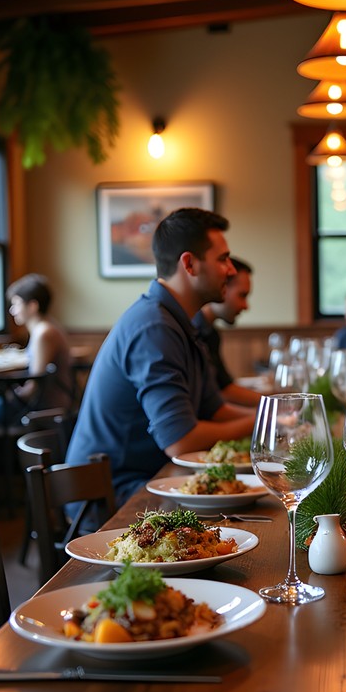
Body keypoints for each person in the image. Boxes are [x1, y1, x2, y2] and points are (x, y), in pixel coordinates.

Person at [66, 207, 256, 505]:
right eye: (222, 259)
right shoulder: (155, 328)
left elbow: (215, 409)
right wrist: (263, 422)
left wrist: (274, 418)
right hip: (111, 493)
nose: (231, 270)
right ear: (190, 264)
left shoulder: (180, 322)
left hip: (151, 476)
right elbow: (180, 442)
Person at [0, 273, 72, 424]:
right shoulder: (47, 328)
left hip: (41, 407)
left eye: (16, 304)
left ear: (32, 306)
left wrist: (12, 393)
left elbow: (34, 386)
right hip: (43, 403)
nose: (12, 310)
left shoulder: (43, 333)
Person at [192, 257, 263, 407]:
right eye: (242, 295)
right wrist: (274, 404)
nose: (246, 306)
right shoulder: (193, 332)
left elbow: (224, 386)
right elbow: (223, 393)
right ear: (222, 287)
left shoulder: (211, 333)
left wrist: (276, 400)